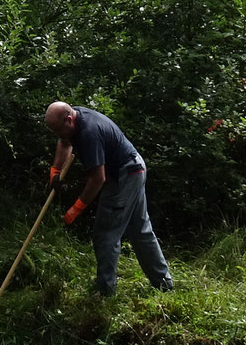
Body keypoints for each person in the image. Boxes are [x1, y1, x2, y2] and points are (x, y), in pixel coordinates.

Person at [44, 101, 174, 295]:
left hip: (125, 175)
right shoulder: (74, 118)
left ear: (69, 120)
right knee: (140, 230)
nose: (57, 134)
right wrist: (56, 170)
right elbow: (64, 142)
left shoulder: (89, 133)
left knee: (106, 234)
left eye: (57, 129)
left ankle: (105, 291)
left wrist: (76, 208)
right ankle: (164, 284)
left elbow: (98, 178)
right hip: (134, 167)